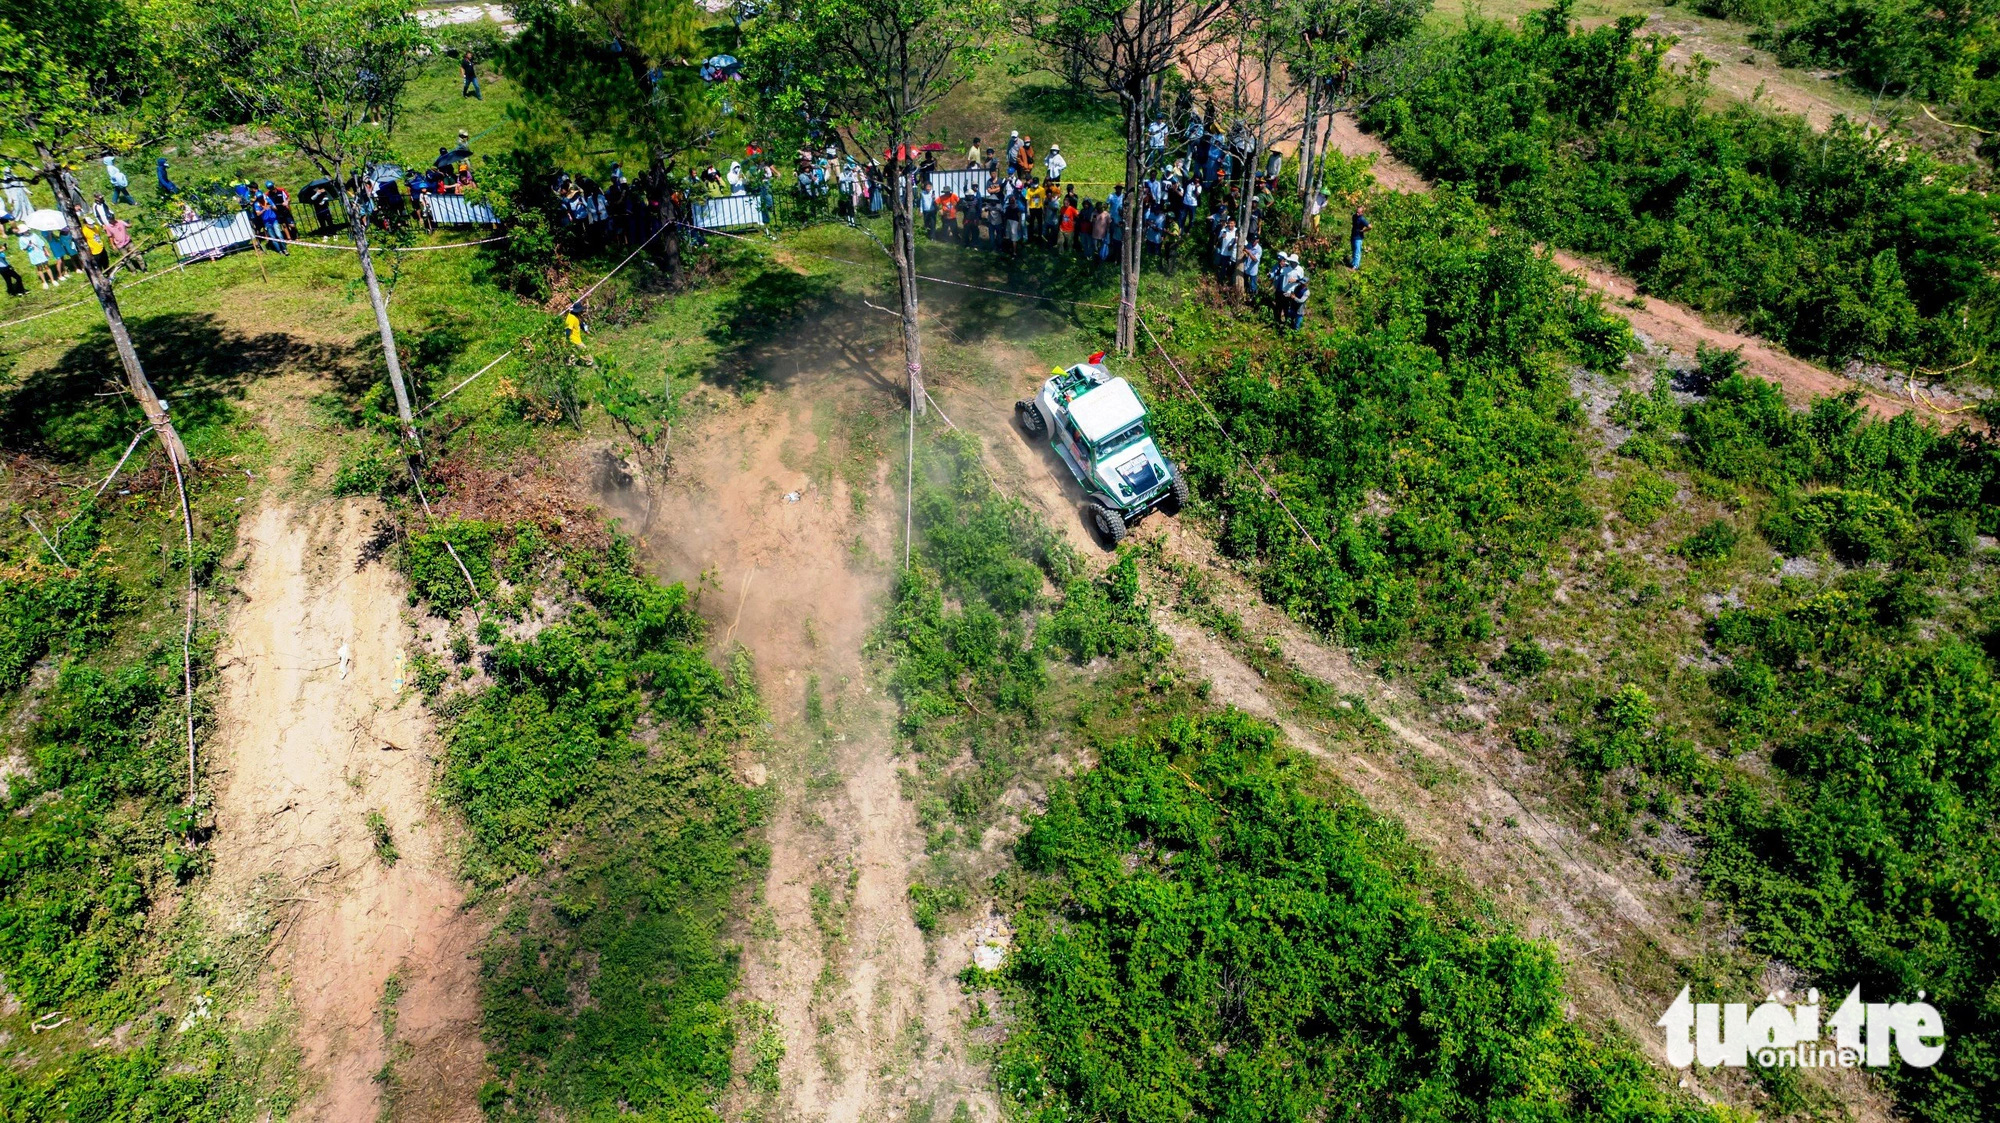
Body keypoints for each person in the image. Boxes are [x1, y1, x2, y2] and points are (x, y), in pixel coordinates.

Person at [1349, 204, 1369, 269]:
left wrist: (1363, 230)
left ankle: (1355, 266)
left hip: (1358, 238)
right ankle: (1353, 263)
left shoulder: (1362, 219)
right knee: (1353, 250)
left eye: (1359, 213)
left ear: (1362, 213)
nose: (1357, 213)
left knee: (1357, 252)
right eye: (1356, 212)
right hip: (1353, 236)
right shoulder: (1354, 216)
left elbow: (1370, 226)